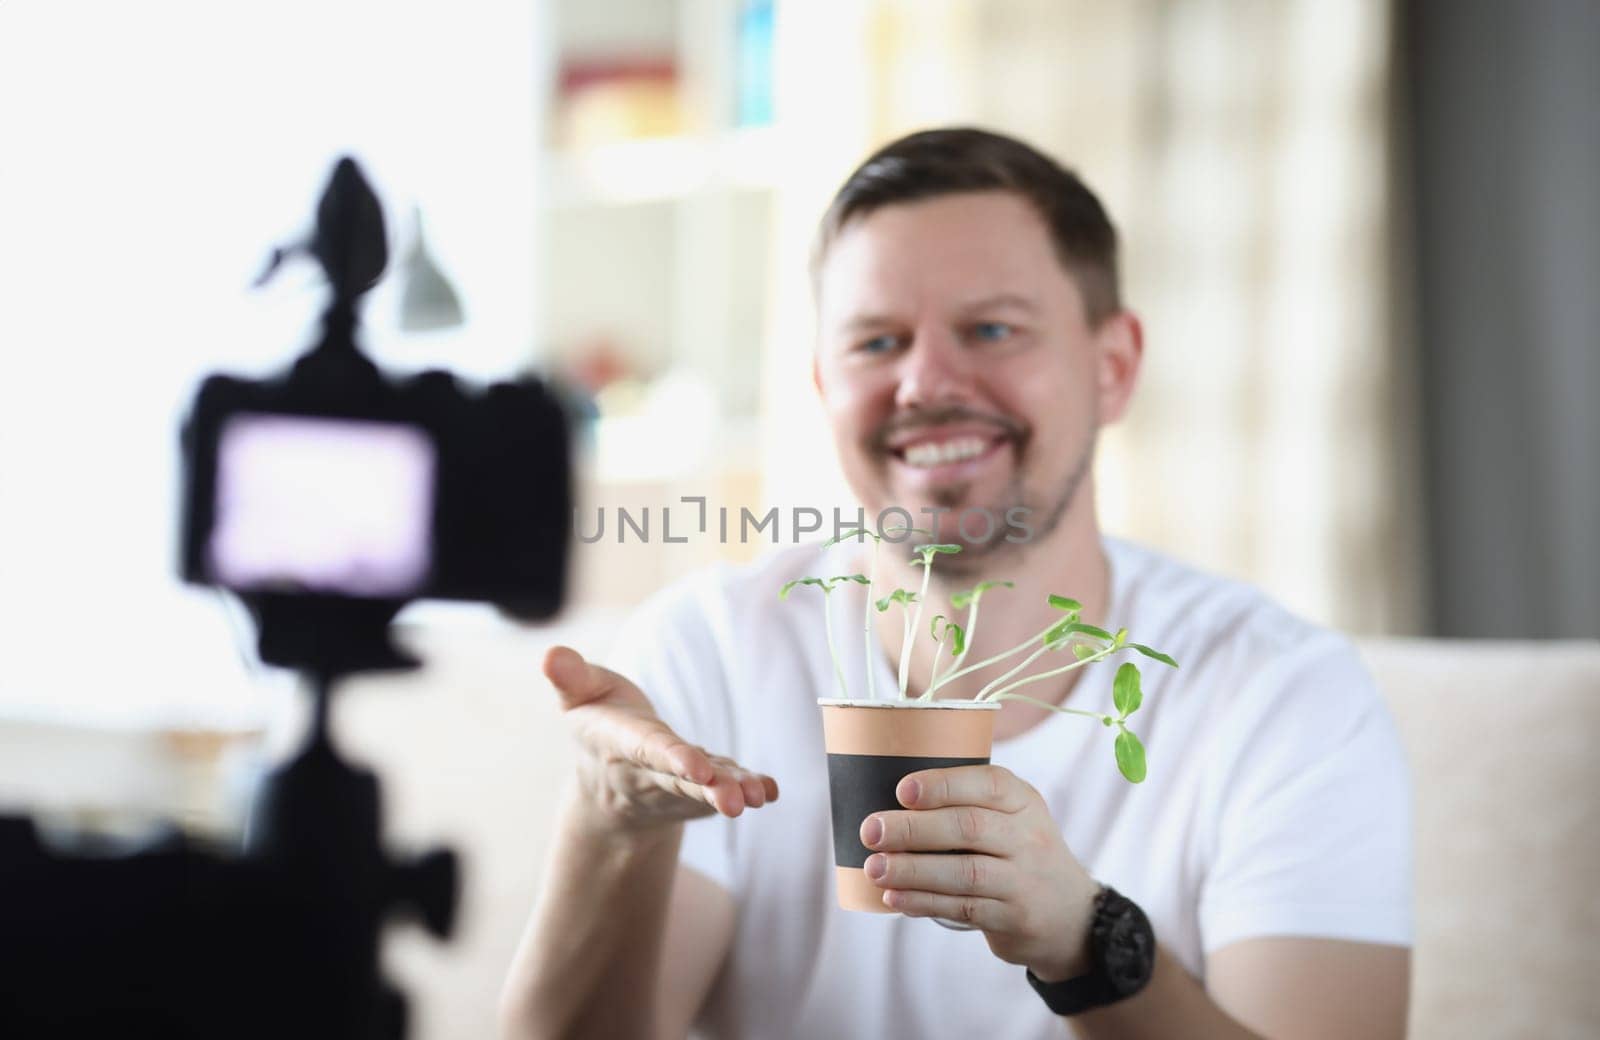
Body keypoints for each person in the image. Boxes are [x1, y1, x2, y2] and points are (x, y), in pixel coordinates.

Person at [500, 128, 1411, 1039]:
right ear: (823, 386)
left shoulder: (1282, 695)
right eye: (877, 342)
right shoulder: (710, 651)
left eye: (991, 329)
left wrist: (1088, 943)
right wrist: (607, 823)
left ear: (1114, 367)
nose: (925, 381)